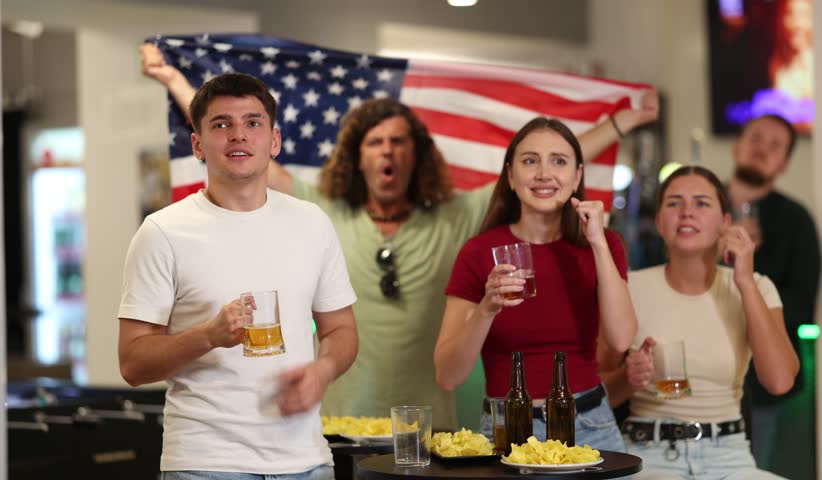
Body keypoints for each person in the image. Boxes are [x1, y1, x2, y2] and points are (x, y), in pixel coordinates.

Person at [140, 43, 660, 430]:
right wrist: (175, 83)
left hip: (428, 426)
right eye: (376, 143)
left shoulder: (454, 218)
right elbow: (240, 150)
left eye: (400, 143)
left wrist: (625, 121)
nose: (388, 153)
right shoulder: (323, 213)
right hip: (338, 422)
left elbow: (541, 167)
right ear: (356, 156)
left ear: (419, 156)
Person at [117, 73, 358, 479]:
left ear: (274, 140)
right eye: (221, 124)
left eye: (252, 122)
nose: (238, 135)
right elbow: (133, 363)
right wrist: (207, 336)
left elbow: (341, 331)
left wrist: (323, 371)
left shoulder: (312, 222)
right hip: (205, 464)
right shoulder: (161, 233)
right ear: (197, 145)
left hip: (306, 462)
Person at [434, 117, 637, 451]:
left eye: (559, 161)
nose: (544, 173)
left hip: (589, 425)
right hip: (507, 429)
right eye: (530, 161)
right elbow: (448, 376)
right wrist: (487, 308)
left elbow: (620, 338)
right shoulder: (478, 252)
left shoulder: (605, 245)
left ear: (577, 176)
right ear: (512, 177)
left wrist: (598, 242)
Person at [601, 165, 799, 479]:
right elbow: (595, 394)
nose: (687, 212)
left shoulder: (756, 286)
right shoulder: (628, 288)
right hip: (649, 454)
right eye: (674, 203)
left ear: (726, 223)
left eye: (702, 203)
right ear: (659, 222)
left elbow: (779, 381)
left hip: (730, 457)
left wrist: (744, 282)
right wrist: (628, 377)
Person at [726, 113, 821, 470]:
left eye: (775, 146)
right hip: (699, 373)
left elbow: (803, 305)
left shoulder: (796, 220)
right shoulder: (698, 206)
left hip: (762, 384)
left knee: (749, 471)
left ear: (783, 164)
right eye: (756, 138)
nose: (762, 150)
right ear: (737, 146)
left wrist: (751, 268)